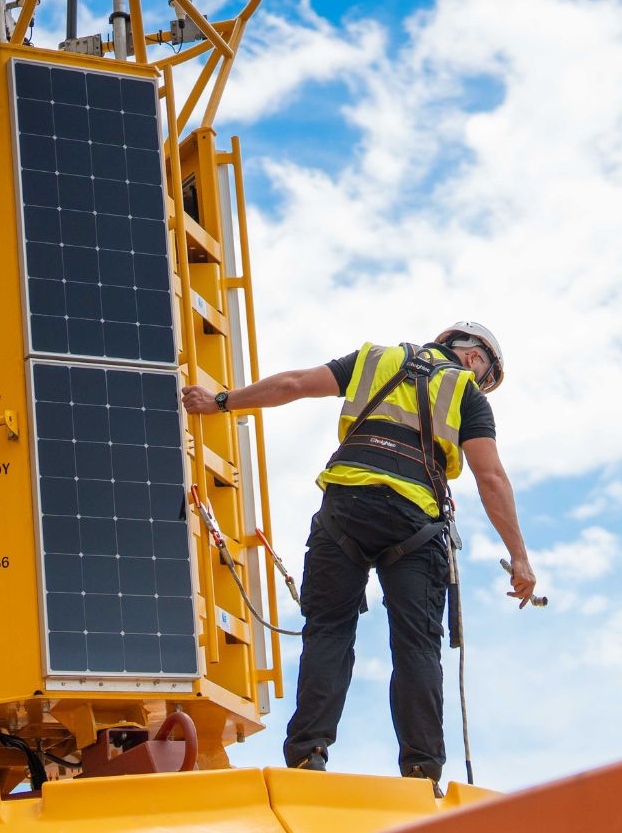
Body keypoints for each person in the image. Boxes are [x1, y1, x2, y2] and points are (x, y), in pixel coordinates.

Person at [180, 322, 536, 788]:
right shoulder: (466, 394)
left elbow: (293, 385)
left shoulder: (375, 359)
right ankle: (421, 772)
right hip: (415, 524)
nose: (481, 380)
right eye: (485, 372)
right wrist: (520, 559)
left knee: (328, 631)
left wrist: (220, 401)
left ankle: (308, 756)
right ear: (473, 357)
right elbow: (490, 477)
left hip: (345, 511)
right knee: (416, 647)